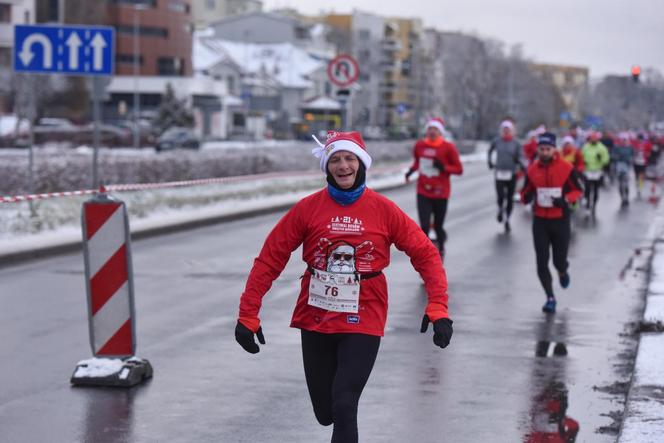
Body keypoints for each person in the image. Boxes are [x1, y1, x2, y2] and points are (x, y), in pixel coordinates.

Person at [235, 131, 453, 443]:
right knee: (326, 411)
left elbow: (426, 254)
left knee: (344, 402)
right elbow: (271, 257)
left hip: (365, 313)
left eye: (350, 158)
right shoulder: (308, 209)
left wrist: (438, 307)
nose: (343, 165)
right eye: (335, 159)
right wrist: (248, 313)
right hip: (316, 314)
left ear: (362, 163)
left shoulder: (384, 210)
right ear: (327, 167)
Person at [521, 133, 583, 313]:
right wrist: (528, 196)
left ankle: (563, 271)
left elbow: (578, 190)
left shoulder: (566, 167)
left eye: (548, 149)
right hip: (540, 221)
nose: (545, 152)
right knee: (541, 263)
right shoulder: (532, 170)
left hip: (560, 221)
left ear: (554, 149)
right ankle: (550, 297)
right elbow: (524, 193)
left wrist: (565, 200)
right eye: (542, 149)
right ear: (538, 149)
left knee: (558, 261)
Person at [405, 118, 463, 257]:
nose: (432, 131)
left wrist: (444, 167)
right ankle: (426, 254)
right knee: (424, 226)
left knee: (438, 226)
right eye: (430, 128)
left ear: (440, 132)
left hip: (441, 192)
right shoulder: (420, 145)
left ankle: (441, 248)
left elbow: (459, 169)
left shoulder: (448, 147)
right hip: (423, 190)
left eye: (435, 129)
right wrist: (411, 171)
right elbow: (418, 162)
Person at [488, 120, 523, 232]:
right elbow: (490, 150)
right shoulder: (497, 141)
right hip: (499, 172)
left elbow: (521, 156)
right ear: (501, 131)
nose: (506, 131)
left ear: (512, 131)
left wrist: (521, 164)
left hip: (511, 173)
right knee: (500, 195)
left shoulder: (516, 143)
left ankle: (507, 218)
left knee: (510, 197)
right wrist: (489, 161)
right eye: (504, 129)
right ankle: (500, 209)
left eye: (508, 129)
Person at [580, 131, 610, 218]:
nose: (593, 140)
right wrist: (583, 162)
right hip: (588, 171)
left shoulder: (602, 148)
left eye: (595, 138)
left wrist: (601, 159)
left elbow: (606, 160)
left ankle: (594, 206)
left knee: (596, 190)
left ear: (597, 139)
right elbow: (581, 157)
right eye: (592, 138)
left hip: (598, 171)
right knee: (588, 189)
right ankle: (588, 205)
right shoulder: (586, 147)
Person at [613, 132, 634, 207]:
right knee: (620, 184)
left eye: (625, 140)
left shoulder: (630, 147)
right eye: (622, 140)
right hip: (619, 166)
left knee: (626, 184)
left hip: (627, 167)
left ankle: (627, 198)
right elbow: (613, 155)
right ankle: (622, 198)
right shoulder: (617, 147)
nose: (624, 141)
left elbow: (632, 155)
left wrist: (630, 160)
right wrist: (617, 157)